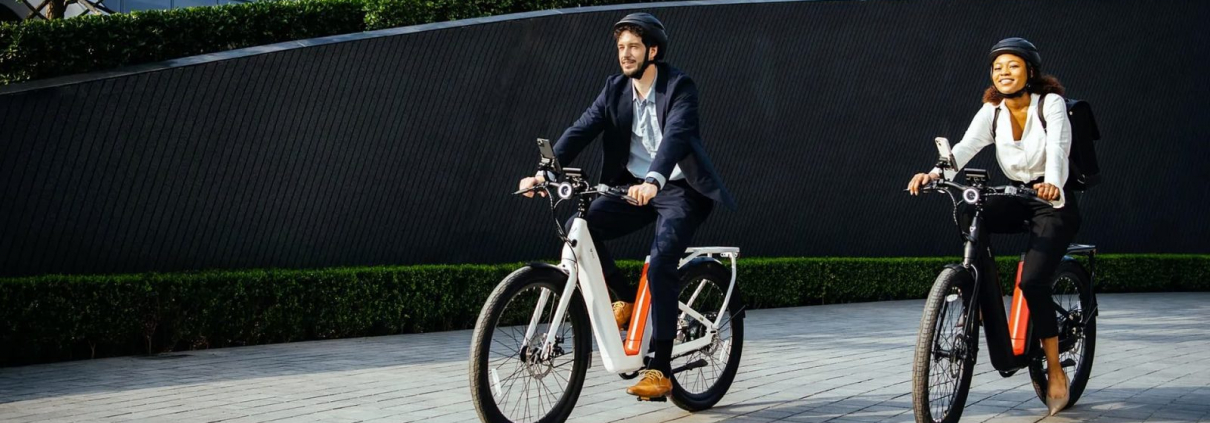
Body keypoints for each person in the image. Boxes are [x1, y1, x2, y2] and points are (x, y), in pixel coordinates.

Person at [516, 12, 735, 399]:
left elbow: (676, 136)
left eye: (634, 46)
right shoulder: (614, 89)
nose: (625, 54)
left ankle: (661, 369)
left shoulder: (679, 87)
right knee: (585, 227)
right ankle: (626, 299)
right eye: (621, 47)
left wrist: (654, 179)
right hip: (632, 188)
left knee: (662, 263)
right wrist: (542, 173)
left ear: (653, 51)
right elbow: (581, 129)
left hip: (680, 189)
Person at [906, 37, 1080, 416]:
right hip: (1016, 195)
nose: (1004, 72)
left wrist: (1052, 181)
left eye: (1013, 65)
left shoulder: (1049, 104)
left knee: (1033, 283)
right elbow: (964, 147)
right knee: (971, 209)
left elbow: (1058, 148)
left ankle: (1054, 370)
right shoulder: (993, 111)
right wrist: (934, 174)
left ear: (1030, 71)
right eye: (997, 67)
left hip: (1052, 201)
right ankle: (979, 293)